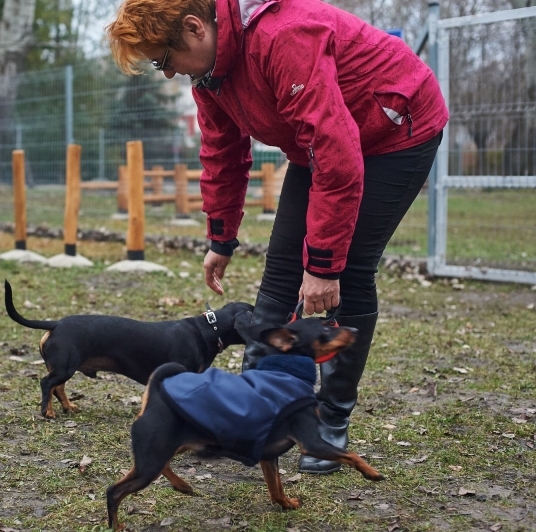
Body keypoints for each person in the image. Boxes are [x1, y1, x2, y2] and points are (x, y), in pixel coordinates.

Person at [106, 0, 448, 474]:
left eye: (163, 60)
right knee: (282, 268)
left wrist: (323, 264)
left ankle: (330, 418)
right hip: (321, 142)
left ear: (193, 29)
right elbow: (222, 151)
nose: (166, 74)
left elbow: (338, 150)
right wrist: (220, 237)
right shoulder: (209, 74)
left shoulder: (281, 36)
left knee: (347, 268)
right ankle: (257, 403)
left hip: (395, 130)